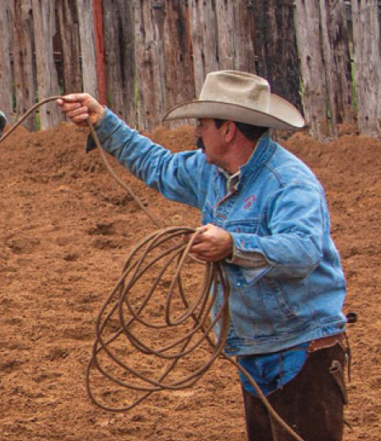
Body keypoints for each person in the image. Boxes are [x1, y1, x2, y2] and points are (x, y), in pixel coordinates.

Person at [58, 70, 349, 441]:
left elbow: (304, 250)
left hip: (303, 349)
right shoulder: (210, 171)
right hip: (255, 345)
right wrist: (105, 123)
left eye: (202, 124)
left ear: (228, 130)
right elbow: (159, 166)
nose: (196, 132)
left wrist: (233, 245)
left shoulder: (289, 183)